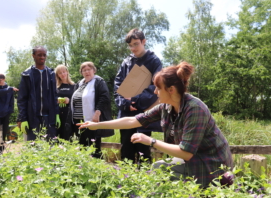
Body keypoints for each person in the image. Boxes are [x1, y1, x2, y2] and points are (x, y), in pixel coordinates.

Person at [79, 61, 233, 187]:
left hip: (212, 164)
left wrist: (151, 141)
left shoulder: (194, 109)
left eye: (158, 88)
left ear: (171, 90)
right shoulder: (166, 107)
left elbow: (186, 152)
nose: (155, 92)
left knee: (164, 173)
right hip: (194, 158)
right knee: (159, 168)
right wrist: (97, 125)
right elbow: (132, 120)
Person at [114, 28, 162, 163]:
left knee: (143, 152)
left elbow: (156, 85)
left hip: (144, 113)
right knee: (126, 150)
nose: (133, 48)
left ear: (144, 41)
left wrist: (136, 101)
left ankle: (144, 182)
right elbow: (117, 86)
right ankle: (125, 181)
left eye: (136, 44)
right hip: (127, 113)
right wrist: (125, 103)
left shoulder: (154, 61)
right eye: (130, 45)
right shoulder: (126, 62)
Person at [17, 46, 60, 141]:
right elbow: (22, 98)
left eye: (44, 55)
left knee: (50, 146)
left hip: (49, 117)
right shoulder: (27, 75)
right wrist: (22, 118)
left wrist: (56, 114)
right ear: (33, 56)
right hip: (33, 118)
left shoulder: (51, 74)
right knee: (34, 147)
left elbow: (54, 95)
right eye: (39, 55)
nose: (42, 57)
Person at [71, 61, 114, 158]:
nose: (87, 72)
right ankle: (83, 167)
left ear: (94, 70)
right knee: (82, 145)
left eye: (89, 69)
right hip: (79, 120)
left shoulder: (99, 81)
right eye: (84, 70)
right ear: (81, 72)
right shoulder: (79, 84)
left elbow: (104, 98)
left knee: (94, 146)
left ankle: (97, 167)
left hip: (92, 119)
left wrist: (97, 113)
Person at [0, 74, 18, 153]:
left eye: (0, 80)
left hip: (6, 113)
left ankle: (1, 151)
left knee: (3, 133)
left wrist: (10, 111)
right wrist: (11, 88)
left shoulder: (9, 89)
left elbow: (11, 102)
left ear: (4, 79)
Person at [54, 64, 76, 141]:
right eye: (60, 73)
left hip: (70, 116)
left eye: (64, 72)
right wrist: (57, 99)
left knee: (68, 137)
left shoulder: (74, 86)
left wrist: (69, 100)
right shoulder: (55, 87)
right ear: (57, 75)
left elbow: (78, 100)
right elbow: (50, 99)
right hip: (57, 116)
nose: (62, 74)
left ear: (67, 72)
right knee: (56, 138)